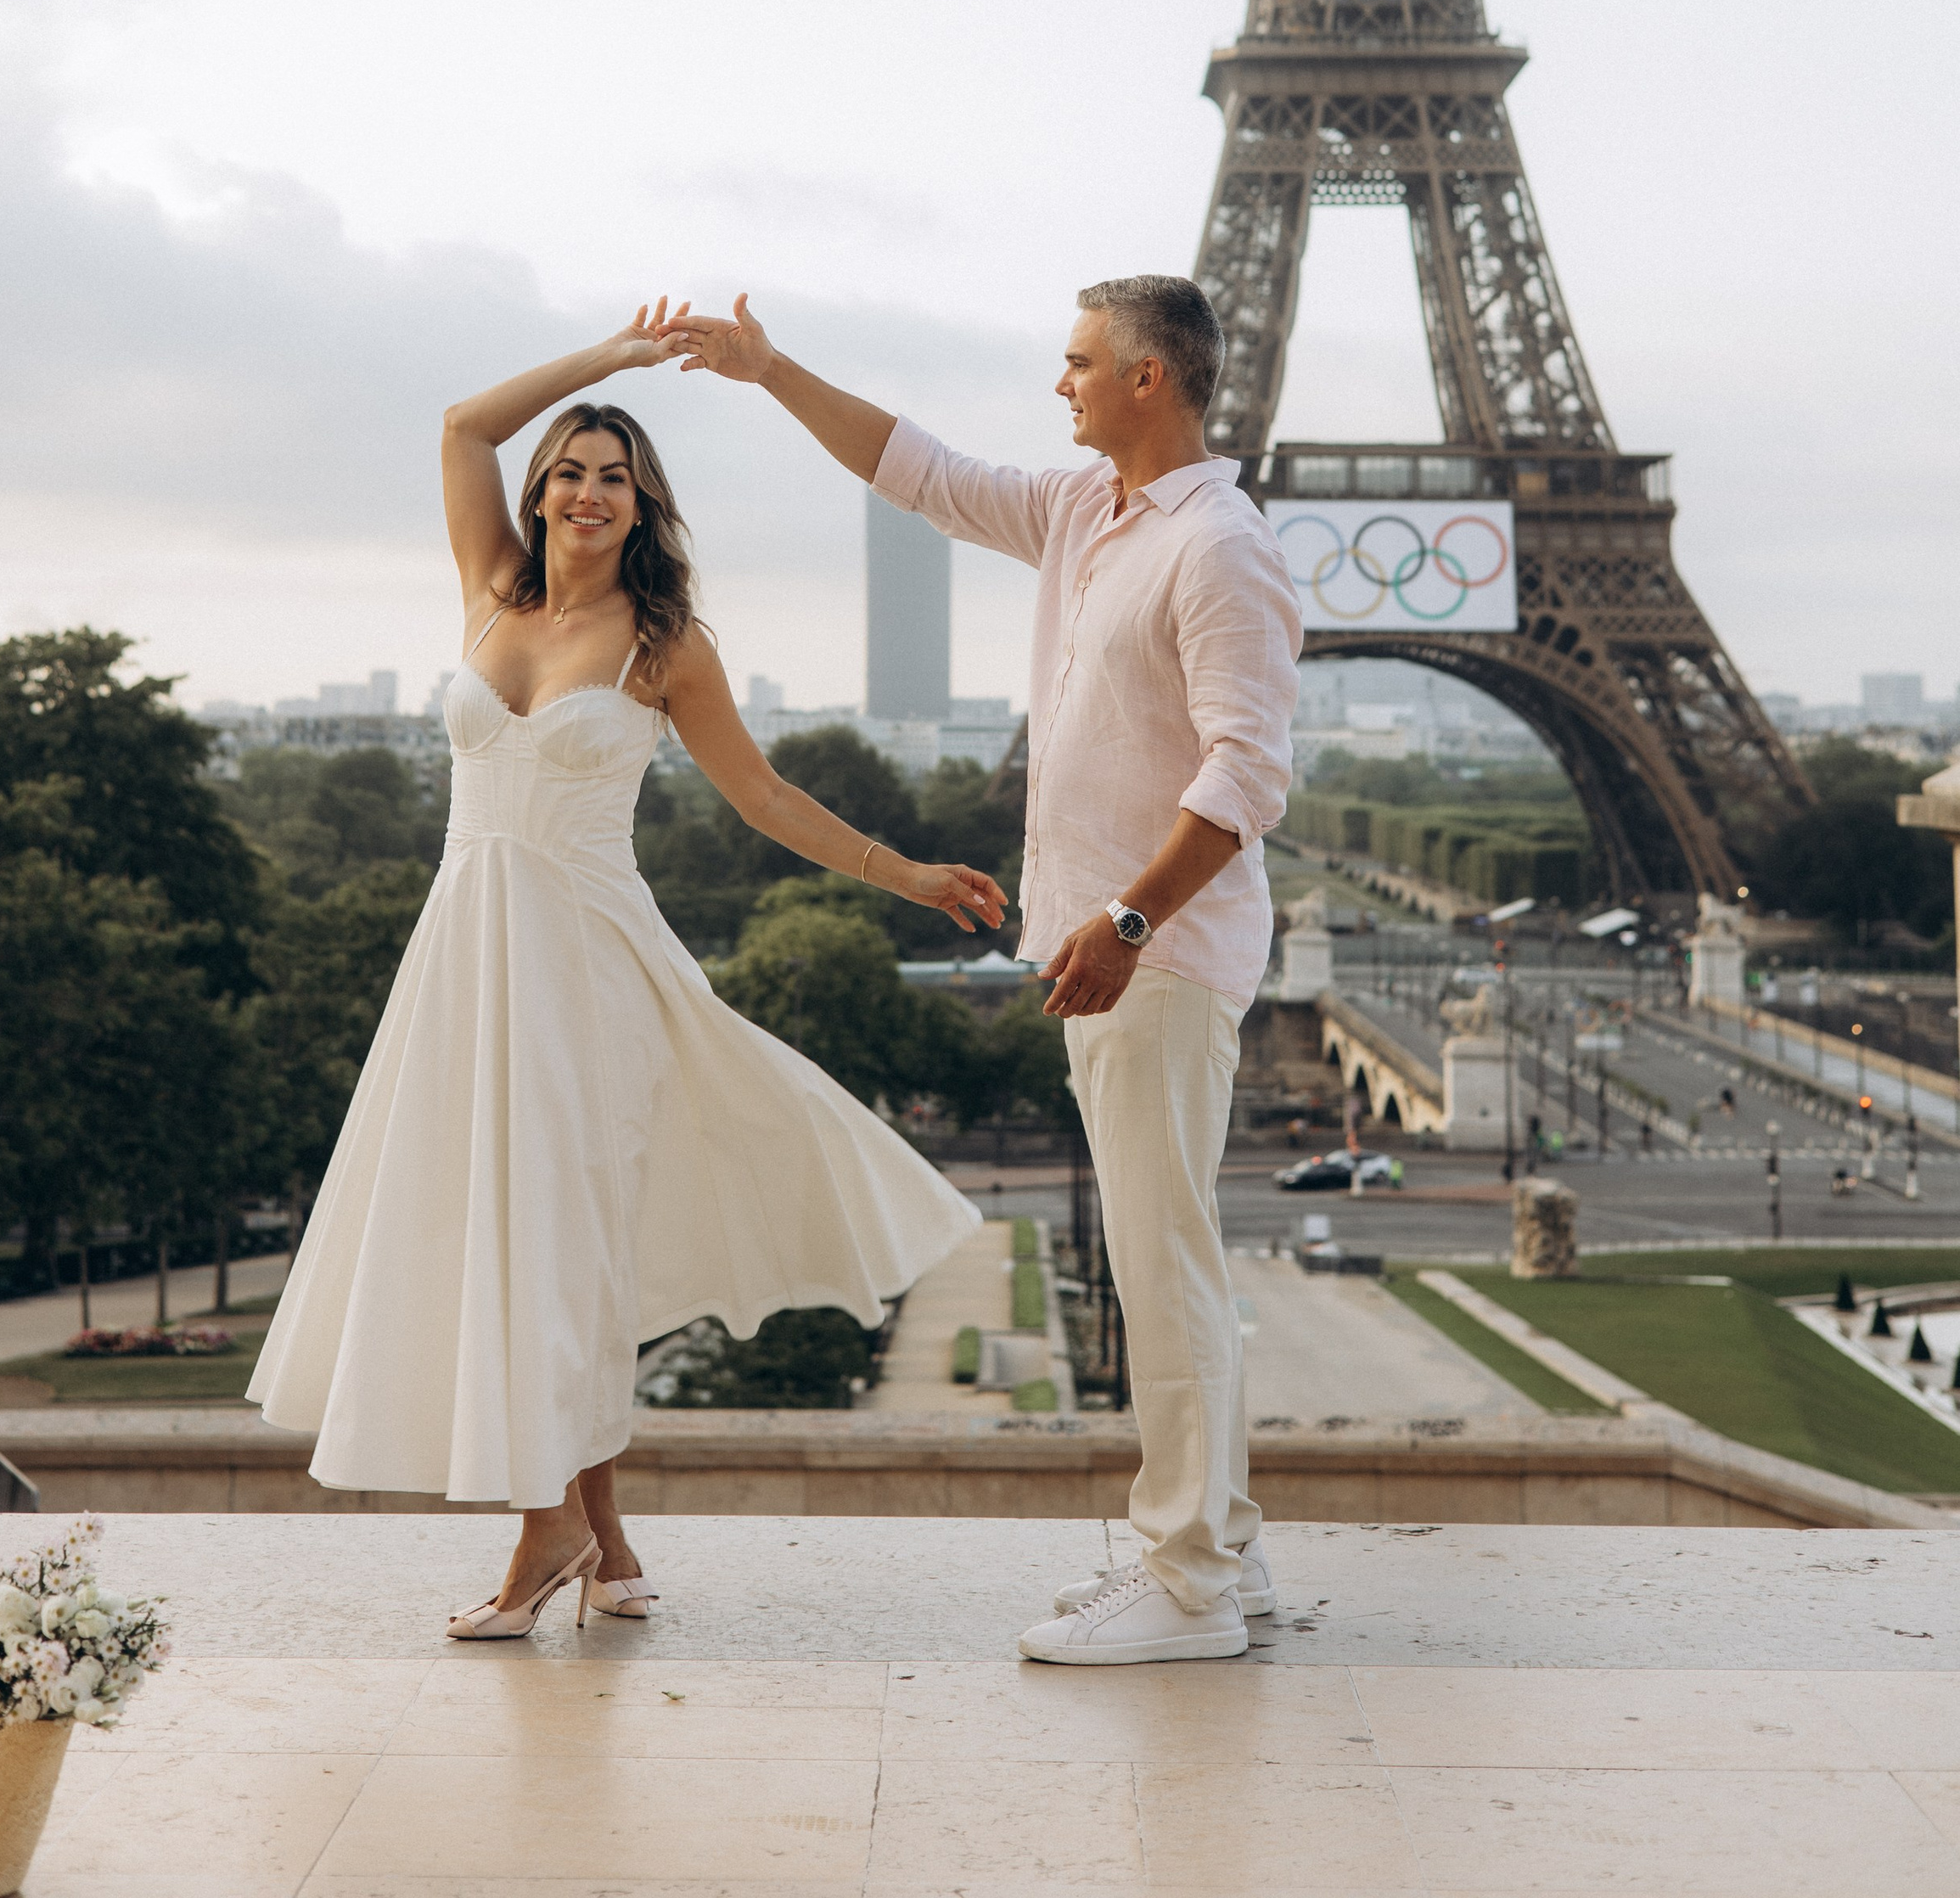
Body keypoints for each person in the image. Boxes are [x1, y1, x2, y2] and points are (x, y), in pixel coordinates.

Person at [247, 305, 1001, 1639]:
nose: (587, 491)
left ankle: (548, 1534)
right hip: (470, 953)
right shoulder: (491, 589)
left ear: (643, 505)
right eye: (571, 471)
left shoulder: (668, 643)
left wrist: (914, 875)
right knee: (534, 1239)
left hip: (588, 966)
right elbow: (461, 423)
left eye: (614, 475)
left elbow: (764, 798)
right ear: (540, 494)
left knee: (560, 1241)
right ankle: (605, 1539)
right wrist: (613, 357)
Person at [666, 274, 1300, 1666]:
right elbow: (922, 470)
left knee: (1163, 1257)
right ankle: (1217, 1553)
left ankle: (1188, 1577)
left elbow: (1249, 769)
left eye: (1078, 362)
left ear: (1150, 378)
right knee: (1167, 1253)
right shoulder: (1089, 512)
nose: (1058, 383)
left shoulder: (1222, 547)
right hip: (1113, 945)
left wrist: (1127, 923)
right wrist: (771, 369)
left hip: (1158, 955)